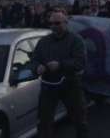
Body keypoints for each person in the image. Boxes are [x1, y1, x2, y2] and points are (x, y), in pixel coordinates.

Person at [32, 8, 89, 138]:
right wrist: (37, 67)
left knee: (79, 121)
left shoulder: (76, 40)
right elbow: (34, 59)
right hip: (48, 85)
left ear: (65, 22)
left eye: (57, 23)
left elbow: (80, 62)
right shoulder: (43, 42)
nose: (54, 26)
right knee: (44, 122)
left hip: (70, 84)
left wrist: (61, 65)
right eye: (51, 23)